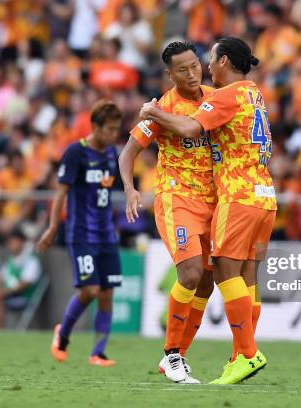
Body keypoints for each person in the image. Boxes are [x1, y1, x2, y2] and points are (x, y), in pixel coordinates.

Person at [139, 36, 276, 384]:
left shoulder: (226, 95)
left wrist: (154, 111)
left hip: (238, 195)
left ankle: (246, 353)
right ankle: (236, 357)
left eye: (209, 61)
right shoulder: (254, 93)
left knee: (223, 274)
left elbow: (188, 127)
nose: (205, 68)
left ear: (225, 62)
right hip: (265, 197)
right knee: (248, 279)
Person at [119, 41, 216, 384]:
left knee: (206, 281)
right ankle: (171, 355)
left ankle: (179, 356)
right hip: (177, 200)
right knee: (189, 273)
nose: (192, 73)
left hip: (215, 201)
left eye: (195, 65)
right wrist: (131, 189)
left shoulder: (215, 98)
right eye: (183, 69)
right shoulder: (160, 108)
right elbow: (128, 154)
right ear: (169, 74)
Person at [37, 100, 122, 367]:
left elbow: (105, 193)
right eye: (109, 129)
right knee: (90, 291)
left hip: (107, 235)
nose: (112, 135)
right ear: (95, 127)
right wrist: (52, 227)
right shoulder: (76, 152)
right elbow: (61, 192)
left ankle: (98, 352)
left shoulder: (111, 155)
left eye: (116, 129)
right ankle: (62, 335)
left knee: (107, 293)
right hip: (81, 233)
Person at [0, 229, 42, 328]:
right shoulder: (10, 261)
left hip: (22, 296)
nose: (10, 245)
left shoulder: (31, 261)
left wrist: (4, 292)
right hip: (6, 293)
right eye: (9, 242)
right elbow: (0, 280)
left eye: (13, 242)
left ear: (22, 242)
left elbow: (24, 284)